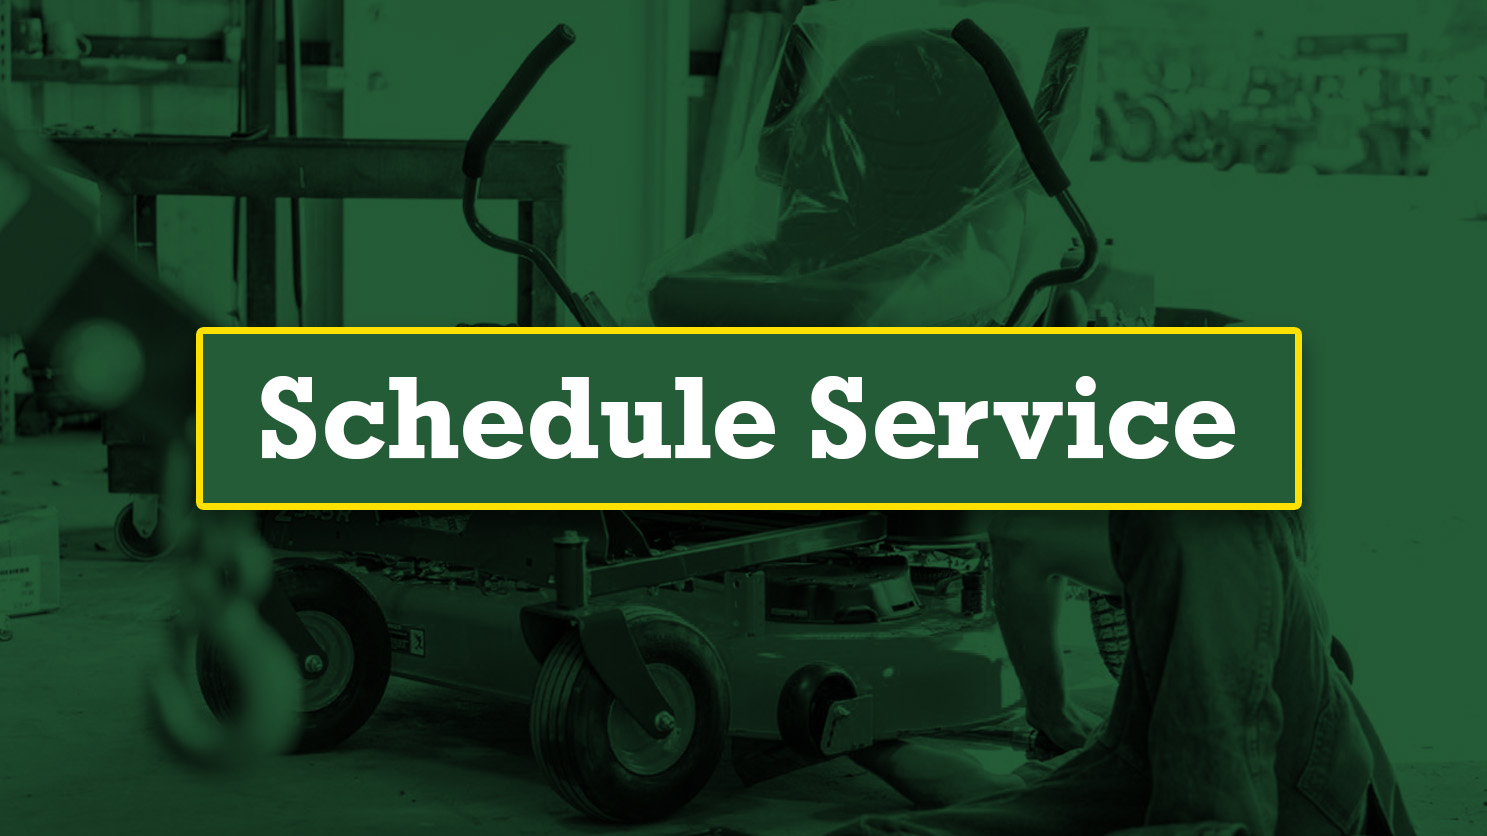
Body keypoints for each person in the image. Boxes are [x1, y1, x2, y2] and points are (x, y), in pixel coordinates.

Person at [834, 511, 1414, 836]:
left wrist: (1050, 710)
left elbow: (1021, 537)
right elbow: (992, 795)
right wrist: (871, 747)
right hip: (1171, 764)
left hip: (1282, 796)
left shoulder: (1211, 533)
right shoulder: (1127, 738)